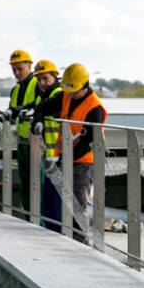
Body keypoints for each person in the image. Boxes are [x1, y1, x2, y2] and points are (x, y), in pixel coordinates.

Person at [31, 63, 107, 245]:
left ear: (85, 85)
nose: (71, 95)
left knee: (75, 205)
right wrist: (38, 121)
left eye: (75, 91)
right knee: (52, 203)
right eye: (69, 91)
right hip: (63, 158)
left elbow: (86, 144)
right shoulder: (65, 95)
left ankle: (80, 246)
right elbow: (42, 107)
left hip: (83, 162)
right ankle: (56, 240)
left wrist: (64, 159)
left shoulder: (94, 108)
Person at [0, 49, 38, 215]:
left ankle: (40, 221)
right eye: (14, 69)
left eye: (20, 69)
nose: (17, 73)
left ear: (29, 66)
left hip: (38, 143)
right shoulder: (16, 90)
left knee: (37, 185)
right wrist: (1, 115)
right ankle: (30, 218)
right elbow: (12, 112)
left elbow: (38, 108)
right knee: (26, 186)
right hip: (23, 142)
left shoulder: (38, 84)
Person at [24, 59, 64, 233]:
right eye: (39, 79)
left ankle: (59, 234)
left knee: (56, 202)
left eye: (45, 78)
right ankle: (52, 233)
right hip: (50, 156)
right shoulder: (44, 94)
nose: (41, 83)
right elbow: (37, 107)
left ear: (55, 77)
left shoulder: (58, 93)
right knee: (48, 201)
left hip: (59, 155)